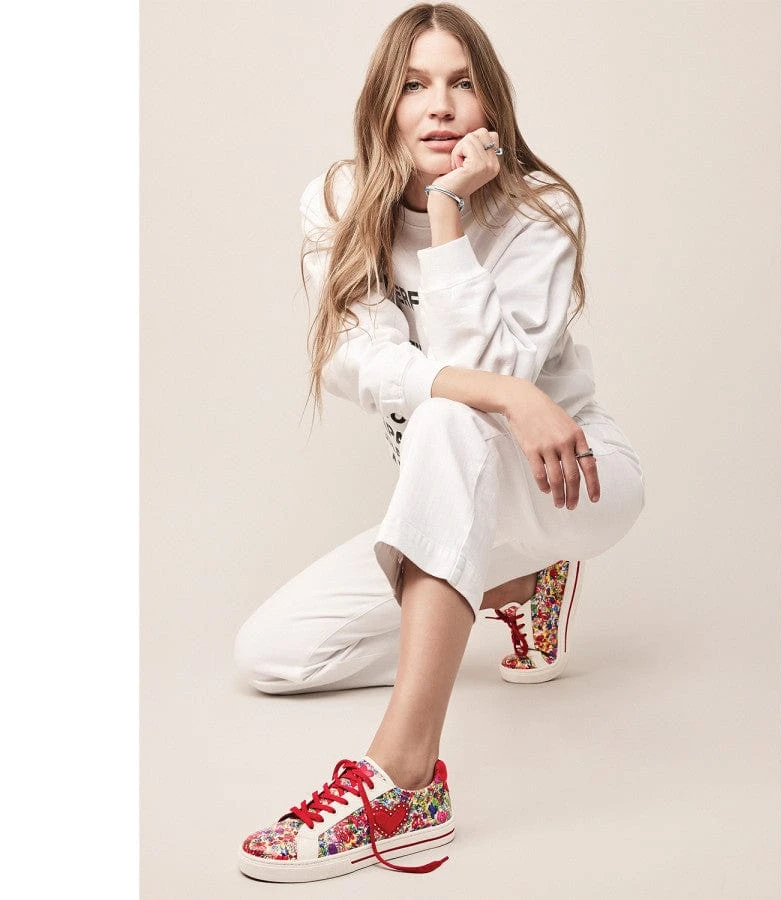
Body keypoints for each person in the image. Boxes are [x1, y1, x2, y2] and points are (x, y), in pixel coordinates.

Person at [234, 2, 645, 884]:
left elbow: (479, 392)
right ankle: (522, 586)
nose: (440, 106)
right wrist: (507, 393)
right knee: (273, 654)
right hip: (454, 507)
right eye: (415, 85)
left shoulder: (538, 212)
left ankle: (404, 778)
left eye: (462, 84)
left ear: (490, 103)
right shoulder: (341, 200)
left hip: (570, 483)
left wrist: (450, 214)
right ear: (384, 104)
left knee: (450, 418)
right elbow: (356, 361)